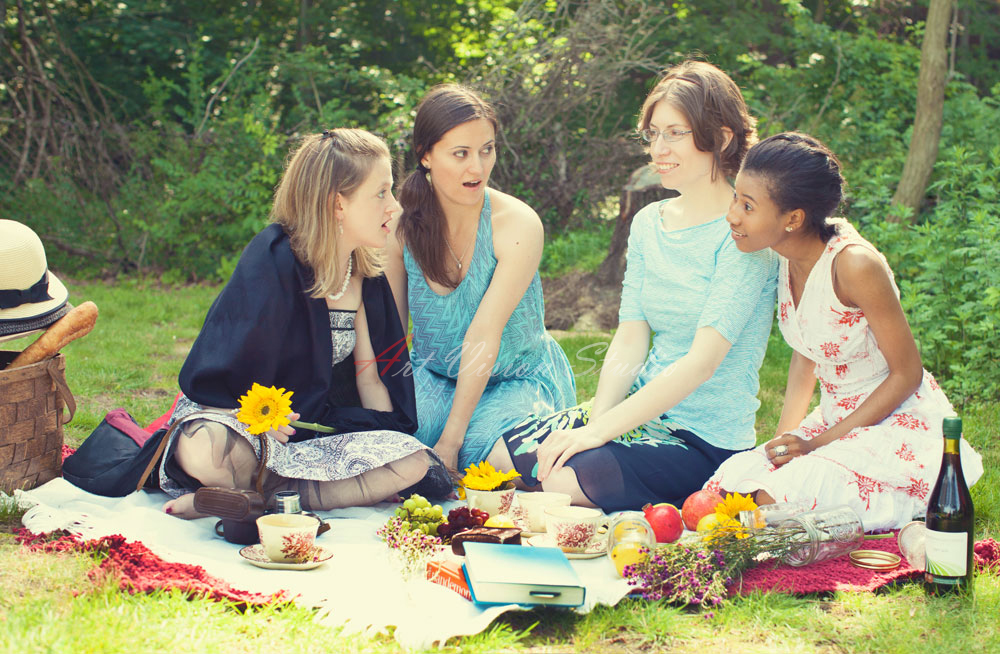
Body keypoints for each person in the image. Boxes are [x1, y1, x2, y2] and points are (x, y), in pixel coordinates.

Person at [487, 61, 779, 512]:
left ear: (721, 138)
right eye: (652, 134)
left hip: (701, 439)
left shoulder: (744, 237)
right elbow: (631, 335)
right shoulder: (648, 223)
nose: (658, 149)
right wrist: (598, 419)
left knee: (557, 485)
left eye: (674, 133)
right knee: (502, 458)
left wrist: (598, 435)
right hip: (637, 413)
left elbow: (701, 364)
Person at [160, 128, 450, 518]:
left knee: (412, 461)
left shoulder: (364, 273)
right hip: (238, 419)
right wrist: (252, 419)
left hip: (313, 428)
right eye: (381, 193)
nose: (394, 207)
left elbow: (370, 379)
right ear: (337, 204)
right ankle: (259, 488)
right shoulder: (274, 256)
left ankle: (250, 499)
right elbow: (222, 370)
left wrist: (387, 439)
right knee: (209, 449)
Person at [708, 132, 983, 530]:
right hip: (835, 419)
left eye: (747, 206)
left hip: (892, 421)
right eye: (736, 198)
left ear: (793, 219)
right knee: (732, 486)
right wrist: (785, 441)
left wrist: (817, 445)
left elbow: (908, 374)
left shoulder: (854, 265)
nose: (732, 214)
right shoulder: (786, 256)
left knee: (768, 509)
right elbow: (806, 355)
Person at [384, 84, 576, 475]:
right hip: (436, 375)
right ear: (425, 156)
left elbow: (483, 334)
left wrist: (451, 439)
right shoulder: (401, 227)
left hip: (515, 377)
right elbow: (390, 328)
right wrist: (381, 404)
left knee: (491, 458)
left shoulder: (517, 224)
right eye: (461, 154)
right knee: (397, 444)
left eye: (486, 149)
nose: (478, 167)